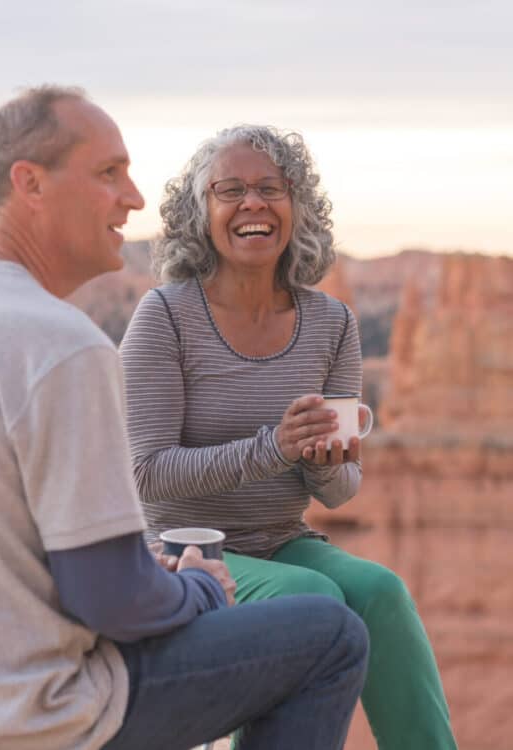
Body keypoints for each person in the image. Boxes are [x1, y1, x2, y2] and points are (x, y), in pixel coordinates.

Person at [0, 88, 368, 750]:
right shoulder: (61, 343)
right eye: (108, 173)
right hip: (17, 717)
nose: (133, 198)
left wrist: (146, 573)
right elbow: (110, 603)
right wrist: (197, 588)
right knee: (330, 637)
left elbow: (0, 537)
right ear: (31, 184)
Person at [119, 123, 456, 749]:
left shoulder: (332, 322)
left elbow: (339, 493)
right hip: (179, 550)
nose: (253, 203)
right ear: (202, 212)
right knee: (313, 597)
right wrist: (272, 447)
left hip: (281, 540)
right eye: (231, 190)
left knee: (381, 591)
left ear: (297, 208)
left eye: (271, 188)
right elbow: (149, 472)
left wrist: (326, 459)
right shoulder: (164, 316)